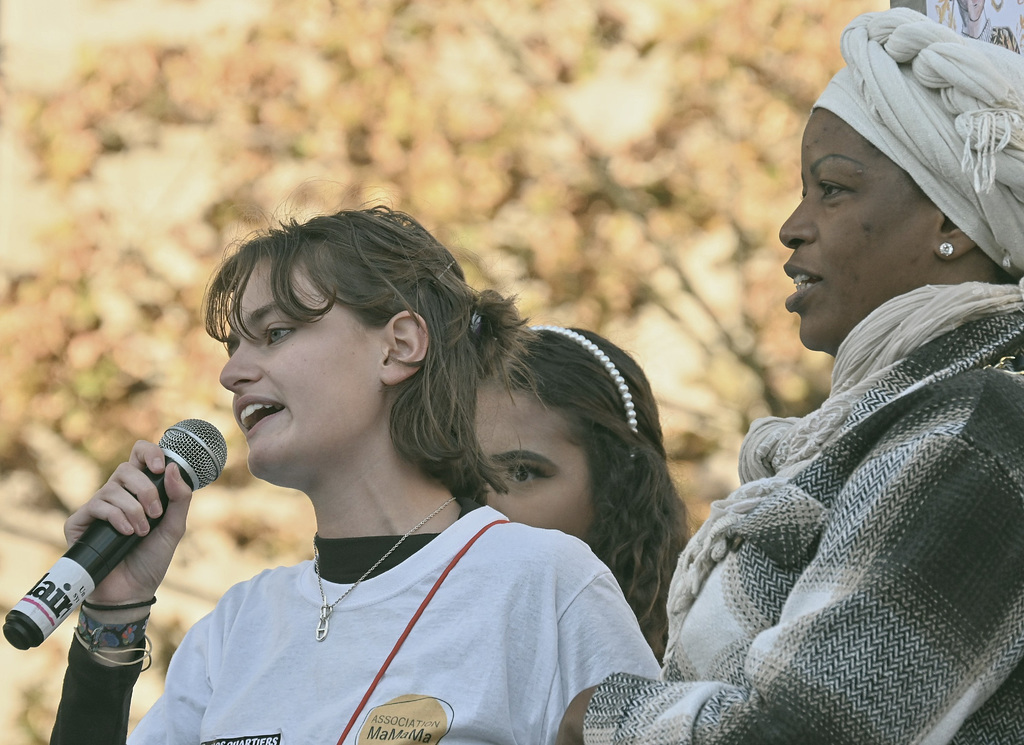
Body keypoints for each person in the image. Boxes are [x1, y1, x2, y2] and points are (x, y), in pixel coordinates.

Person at [558, 8, 1024, 744]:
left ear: (951, 223)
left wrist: (594, 719)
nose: (793, 225)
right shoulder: (905, 416)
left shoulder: (977, 426)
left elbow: (805, 727)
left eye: (832, 189)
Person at [47, 205, 660, 744]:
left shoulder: (545, 581)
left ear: (398, 346)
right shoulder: (237, 625)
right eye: (233, 347)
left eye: (275, 333)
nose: (232, 374)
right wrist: (112, 616)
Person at [475, 325, 687, 661]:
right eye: (458, 473)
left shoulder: (698, 663)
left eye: (520, 472)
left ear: (617, 489)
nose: (477, 506)